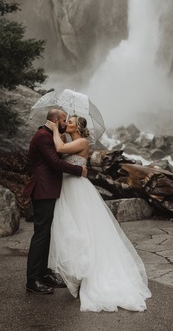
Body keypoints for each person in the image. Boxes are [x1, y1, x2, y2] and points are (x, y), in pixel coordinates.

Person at [46, 115, 152, 312]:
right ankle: (80, 273)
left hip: (77, 189)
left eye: (70, 122)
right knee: (73, 230)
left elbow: (59, 150)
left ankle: (91, 274)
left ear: (77, 127)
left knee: (85, 229)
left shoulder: (82, 141)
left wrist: (53, 130)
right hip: (67, 187)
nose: (65, 124)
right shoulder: (72, 140)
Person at [23, 108, 88, 295]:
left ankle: (44, 273)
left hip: (50, 188)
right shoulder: (43, 135)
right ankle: (32, 280)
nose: (66, 122)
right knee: (41, 234)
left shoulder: (50, 134)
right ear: (57, 120)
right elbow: (55, 163)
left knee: (47, 233)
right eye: (64, 120)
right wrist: (79, 170)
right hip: (43, 189)